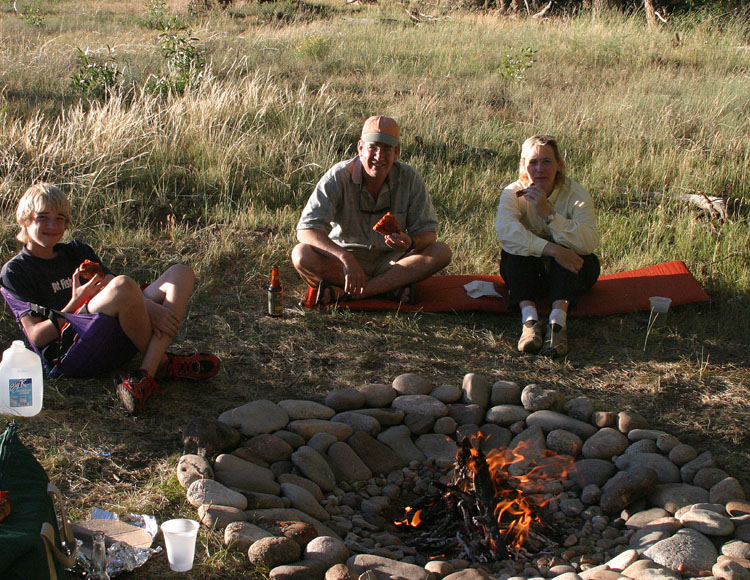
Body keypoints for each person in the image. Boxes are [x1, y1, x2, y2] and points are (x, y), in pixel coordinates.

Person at [0, 183, 219, 413]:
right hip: (70, 354)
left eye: (60, 218)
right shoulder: (15, 272)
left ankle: (143, 376)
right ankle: (161, 364)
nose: (53, 225)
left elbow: (111, 282)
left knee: (180, 273)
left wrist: (147, 306)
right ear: (24, 220)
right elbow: (37, 336)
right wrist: (76, 302)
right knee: (123, 285)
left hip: (112, 334)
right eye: (42, 217)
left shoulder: (76, 251)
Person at [292, 115, 452, 305]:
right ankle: (386, 289)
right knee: (301, 255)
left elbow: (428, 233)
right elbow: (306, 231)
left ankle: (353, 292)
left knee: (441, 252)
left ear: (397, 152)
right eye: (373, 147)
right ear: (360, 148)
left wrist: (410, 243)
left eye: (387, 149)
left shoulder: (409, 178)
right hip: (342, 262)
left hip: (391, 263)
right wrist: (346, 258)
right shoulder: (338, 176)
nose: (379, 156)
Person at [495, 135, 600, 357]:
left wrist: (549, 214)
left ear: (559, 166)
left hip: (568, 275)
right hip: (530, 273)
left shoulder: (576, 194)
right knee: (513, 253)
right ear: (524, 166)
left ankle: (557, 323)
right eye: (533, 162)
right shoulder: (513, 193)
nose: (540, 168)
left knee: (575, 255)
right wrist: (552, 249)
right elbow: (507, 233)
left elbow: (589, 241)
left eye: (547, 161)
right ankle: (530, 320)